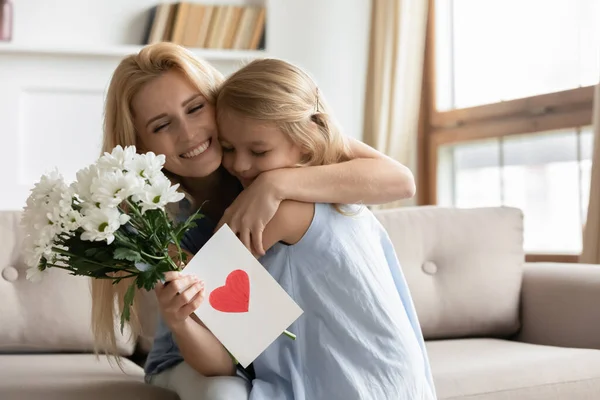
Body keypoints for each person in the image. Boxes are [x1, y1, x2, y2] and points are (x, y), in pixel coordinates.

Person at [92, 42, 418, 400]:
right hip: (203, 350)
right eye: (162, 125)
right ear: (140, 146)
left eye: (196, 108)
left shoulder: (268, 138)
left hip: (259, 346)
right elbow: (226, 344)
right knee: (225, 390)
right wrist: (179, 318)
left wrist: (276, 184)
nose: (188, 134)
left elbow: (400, 180)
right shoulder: (151, 219)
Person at [215, 58, 437, 399]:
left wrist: (274, 183)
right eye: (228, 148)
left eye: (258, 151)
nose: (239, 164)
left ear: (305, 140)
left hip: (351, 383)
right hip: (396, 378)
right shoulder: (344, 185)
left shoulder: (283, 211)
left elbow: (208, 279)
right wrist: (275, 179)